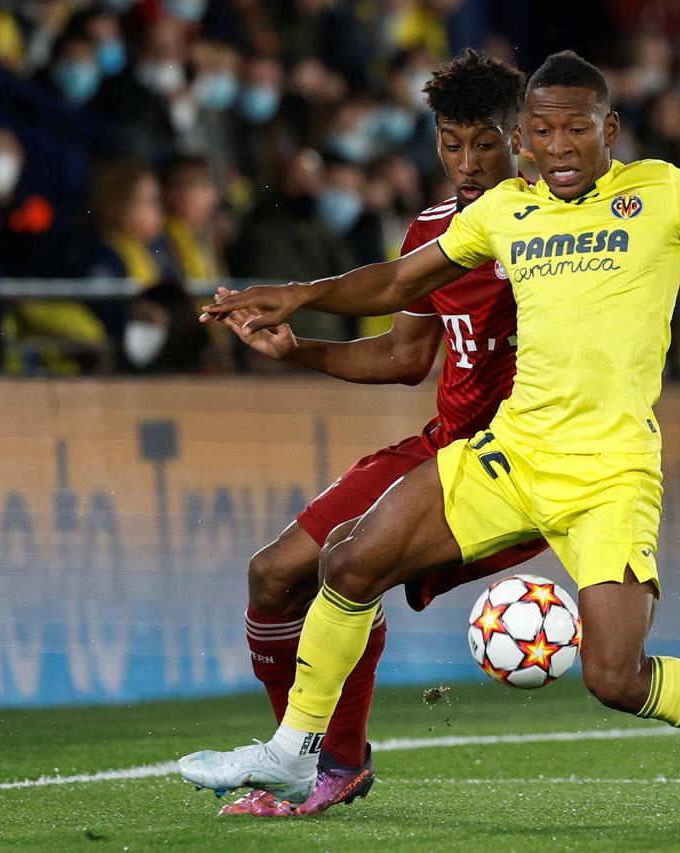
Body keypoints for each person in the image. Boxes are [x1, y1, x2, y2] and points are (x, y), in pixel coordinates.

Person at [182, 50, 680, 821]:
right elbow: (395, 284)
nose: (559, 148)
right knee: (349, 560)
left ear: (610, 129)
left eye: (576, 131)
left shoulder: (668, 194)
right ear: (524, 141)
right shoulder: (502, 212)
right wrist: (296, 294)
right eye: (543, 133)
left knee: (615, 677)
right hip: (510, 454)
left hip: (612, 474)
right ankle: (298, 748)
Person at [209, 48, 546, 818]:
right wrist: (301, 351)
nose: (467, 161)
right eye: (451, 143)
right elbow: (404, 356)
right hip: (441, 440)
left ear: (520, 137)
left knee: (346, 564)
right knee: (271, 574)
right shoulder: (432, 229)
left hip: (516, 461)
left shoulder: (558, 228)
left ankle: (338, 760)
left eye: (485, 142)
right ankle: (307, 760)